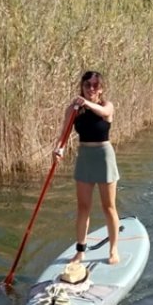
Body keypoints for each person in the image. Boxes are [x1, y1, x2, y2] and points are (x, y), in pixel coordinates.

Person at [54, 71, 120, 265]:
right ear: (82, 87)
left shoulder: (106, 106)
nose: (91, 89)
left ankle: (114, 249)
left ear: (101, 88)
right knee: (83, 207)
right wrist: (59, 149)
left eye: (95, 85)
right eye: (87, 85)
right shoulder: (73, 109)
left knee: (109, 207)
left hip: (104, 157)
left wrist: (85, 102)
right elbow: (63, 135)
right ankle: (80, 251)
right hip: (84, 158)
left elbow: (105, 113)